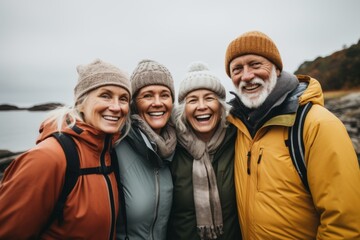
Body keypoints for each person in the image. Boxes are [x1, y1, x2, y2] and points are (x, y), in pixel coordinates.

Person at [224, 30, 360, 239]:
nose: (247, 75)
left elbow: (344, 224)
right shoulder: (237, 127)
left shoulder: (318, 124)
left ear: (277, 69)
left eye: (255, 64)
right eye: (237, 69)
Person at [0, 59, 131, 239]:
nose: (116, 107)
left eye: (123, 98)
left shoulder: (108, 153)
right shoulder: (48, 158)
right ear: (81, 103)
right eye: (105, 95)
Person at [167, 62, 241, 240]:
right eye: (192, 100)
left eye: (209, 98)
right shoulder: (171, 149)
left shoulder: (238, 140)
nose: (201, 106)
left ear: (221, 105)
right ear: (183, 110)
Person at [115, 59, 177, 240]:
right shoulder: (116, 145)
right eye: (148, 95)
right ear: (134, 103)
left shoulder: (175, 146)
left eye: (164, 95)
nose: (157, 103)